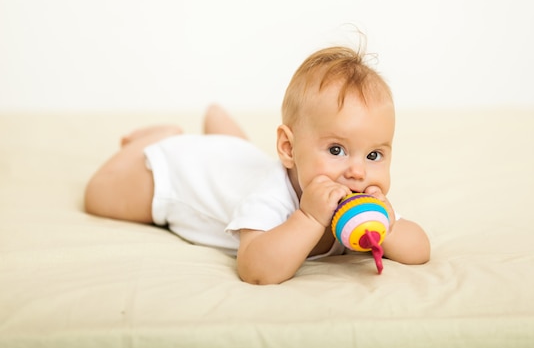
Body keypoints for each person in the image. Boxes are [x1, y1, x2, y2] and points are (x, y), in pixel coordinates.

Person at [84, 46, 430, 284]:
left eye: (374, 156)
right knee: (98, 197)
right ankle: (160, 136)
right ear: (288, 148)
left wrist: (391, 228)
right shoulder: (271, 197)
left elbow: (421, 250)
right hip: (180, 173)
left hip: (235, 159)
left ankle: (218, 126)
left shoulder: (366, 204)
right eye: (337, 149)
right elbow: (256, 269)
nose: (357, 172)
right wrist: (309, 218)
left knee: (238, 152)